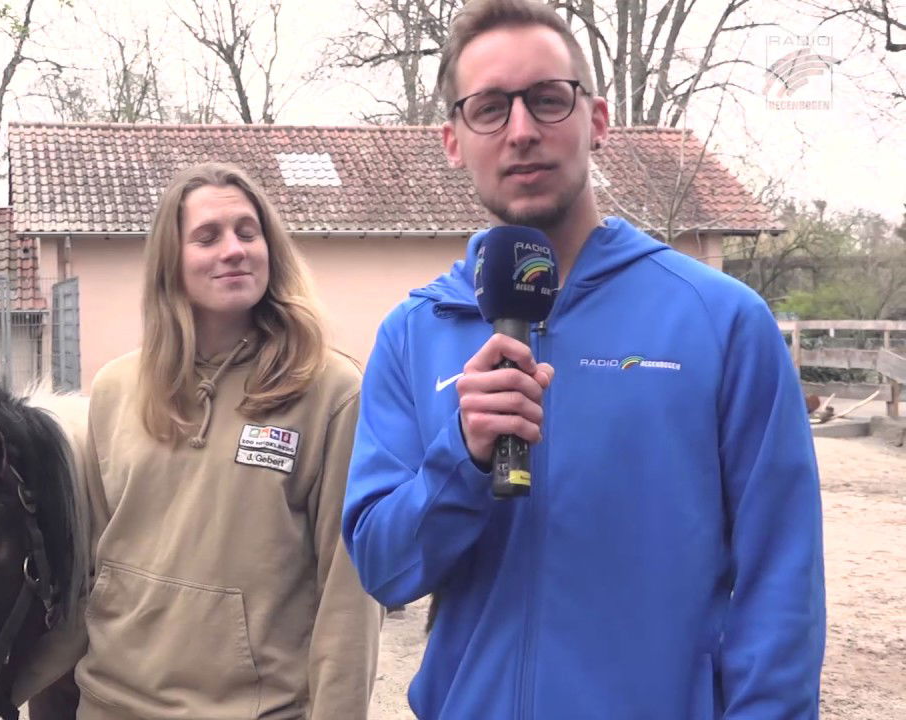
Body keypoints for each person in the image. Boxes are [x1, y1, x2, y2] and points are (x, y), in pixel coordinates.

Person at [341, 1, 826, 719]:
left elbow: (781, 585)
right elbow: (385, 570)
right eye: (489, 108)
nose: (522, 130)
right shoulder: (414, 333)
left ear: (596, 120)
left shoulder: (720, 322)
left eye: (547, 99)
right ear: (452, 140)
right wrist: (463, 461)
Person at [70, 162, 381, 719]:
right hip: (110, 703)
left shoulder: (331, 391)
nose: (234, 249)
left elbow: (348, 593)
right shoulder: (116, 388)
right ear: (172, 261)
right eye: (207, 237)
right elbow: (93, 568)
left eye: (247, 231)